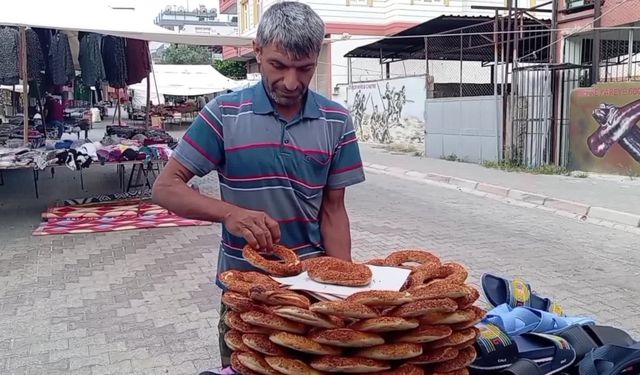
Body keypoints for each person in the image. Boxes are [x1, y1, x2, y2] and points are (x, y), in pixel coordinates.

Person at [151, 2, 366, 374]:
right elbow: (165, 188)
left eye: (305, 68)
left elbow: (333, 210)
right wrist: (228, 212)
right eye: (278, 66)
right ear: (258, 50)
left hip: (309, 293)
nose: (292, 82)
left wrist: (340, 292)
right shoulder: (223, 114)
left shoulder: (337, 120)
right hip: (245, 293)